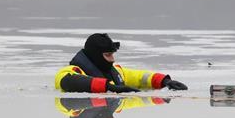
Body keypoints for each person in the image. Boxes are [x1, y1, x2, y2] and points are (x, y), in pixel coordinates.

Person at [55, 33, 188, 93]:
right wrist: (110, 87)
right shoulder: (72, 71)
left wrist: (164, 81)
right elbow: (67, 82)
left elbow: (140, 77)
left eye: (112, 54)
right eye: (108, 55)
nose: (113, 59)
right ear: (95, 56)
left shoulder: (116, 72)